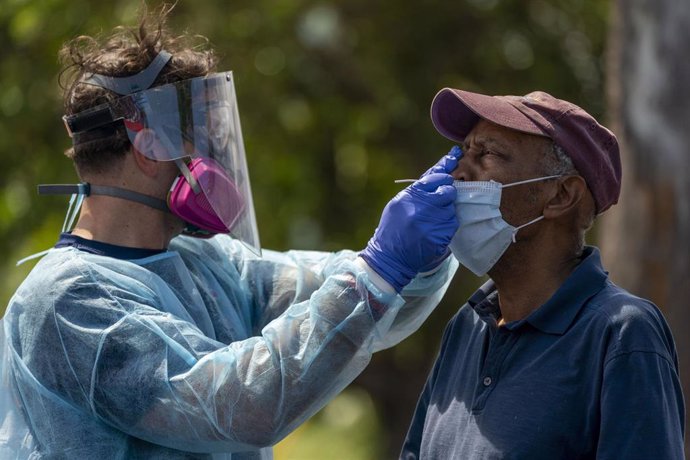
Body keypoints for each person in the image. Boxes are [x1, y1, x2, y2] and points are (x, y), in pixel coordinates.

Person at [0, 6, 462, 459]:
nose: (217, 155)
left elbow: (355, 305)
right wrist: (378, 271)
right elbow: (239, 406)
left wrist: (420, 255)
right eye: (202, 137)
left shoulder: (211, 263)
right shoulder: (69, 302)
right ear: (149, 144)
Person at [400, 88, 685, 459]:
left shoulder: (621, 333)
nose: (456, 172)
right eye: (463, 151)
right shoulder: (467, 326)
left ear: (561, 195)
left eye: (486, 153)